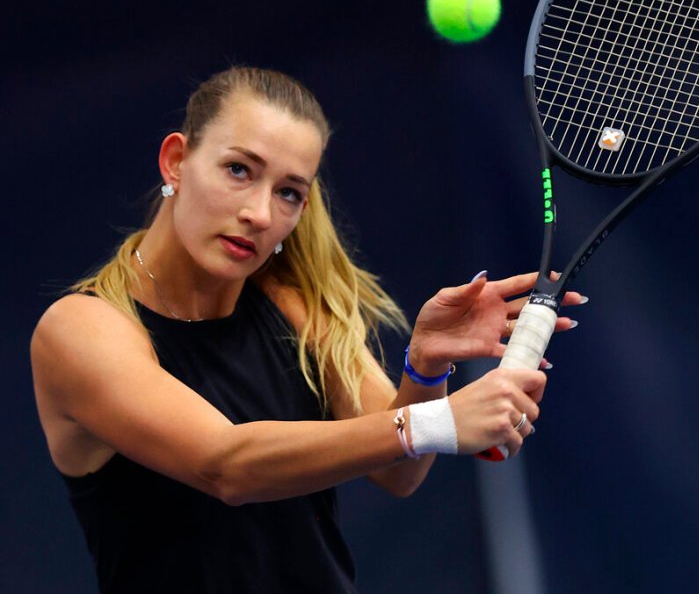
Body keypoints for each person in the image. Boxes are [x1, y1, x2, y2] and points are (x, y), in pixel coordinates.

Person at [30, 66, 582, 593]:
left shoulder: (294, 307)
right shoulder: (81, 331)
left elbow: (399, 475)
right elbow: (226, 465)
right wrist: (435, 419)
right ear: (176, 161)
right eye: (239, 170)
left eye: (289, 192)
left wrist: (426, 366)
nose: (261, 214)